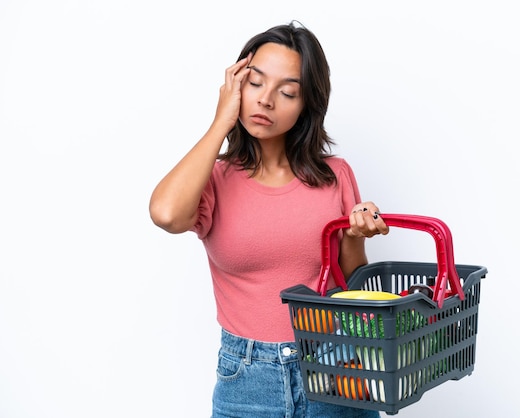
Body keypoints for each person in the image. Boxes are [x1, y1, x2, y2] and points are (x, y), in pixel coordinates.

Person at [149, 20, 388, 418]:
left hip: (334, 368)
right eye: (255, 83)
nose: (266, 100)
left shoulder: (335, 175)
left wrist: (355, 233)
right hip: (246, 378)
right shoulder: (213, 180)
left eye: (287, 91)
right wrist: (220, 122)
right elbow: (166, 213)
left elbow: (352, 284)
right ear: (235, 87)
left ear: (307, 103)